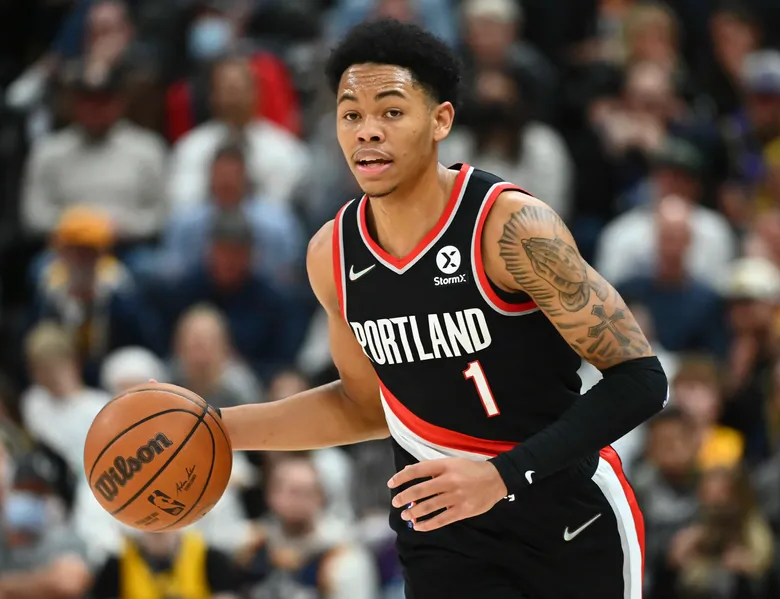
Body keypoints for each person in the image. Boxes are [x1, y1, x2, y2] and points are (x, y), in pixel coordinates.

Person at [159, 19, 667, 598]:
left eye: (392, 112)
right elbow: (363, 406)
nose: (367, 131)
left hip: (565, 521)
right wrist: (216, 429)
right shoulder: (332, 254)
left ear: (440, 121)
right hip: (442, 537)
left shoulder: (510, 228)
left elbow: (641, 379)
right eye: (351, 115)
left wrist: (500, 477)